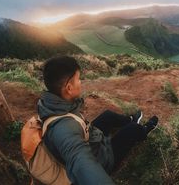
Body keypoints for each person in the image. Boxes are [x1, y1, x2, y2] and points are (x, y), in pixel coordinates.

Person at [37, 56, 159, 185]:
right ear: (68, 88)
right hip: (103, 159)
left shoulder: (51, 103)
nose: (81, 82)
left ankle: (130, 119)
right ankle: (144, 130)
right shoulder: (64, 129)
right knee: (133, 129)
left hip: (91, 139)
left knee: (107, 116)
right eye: (78, 79)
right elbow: (82, 163)